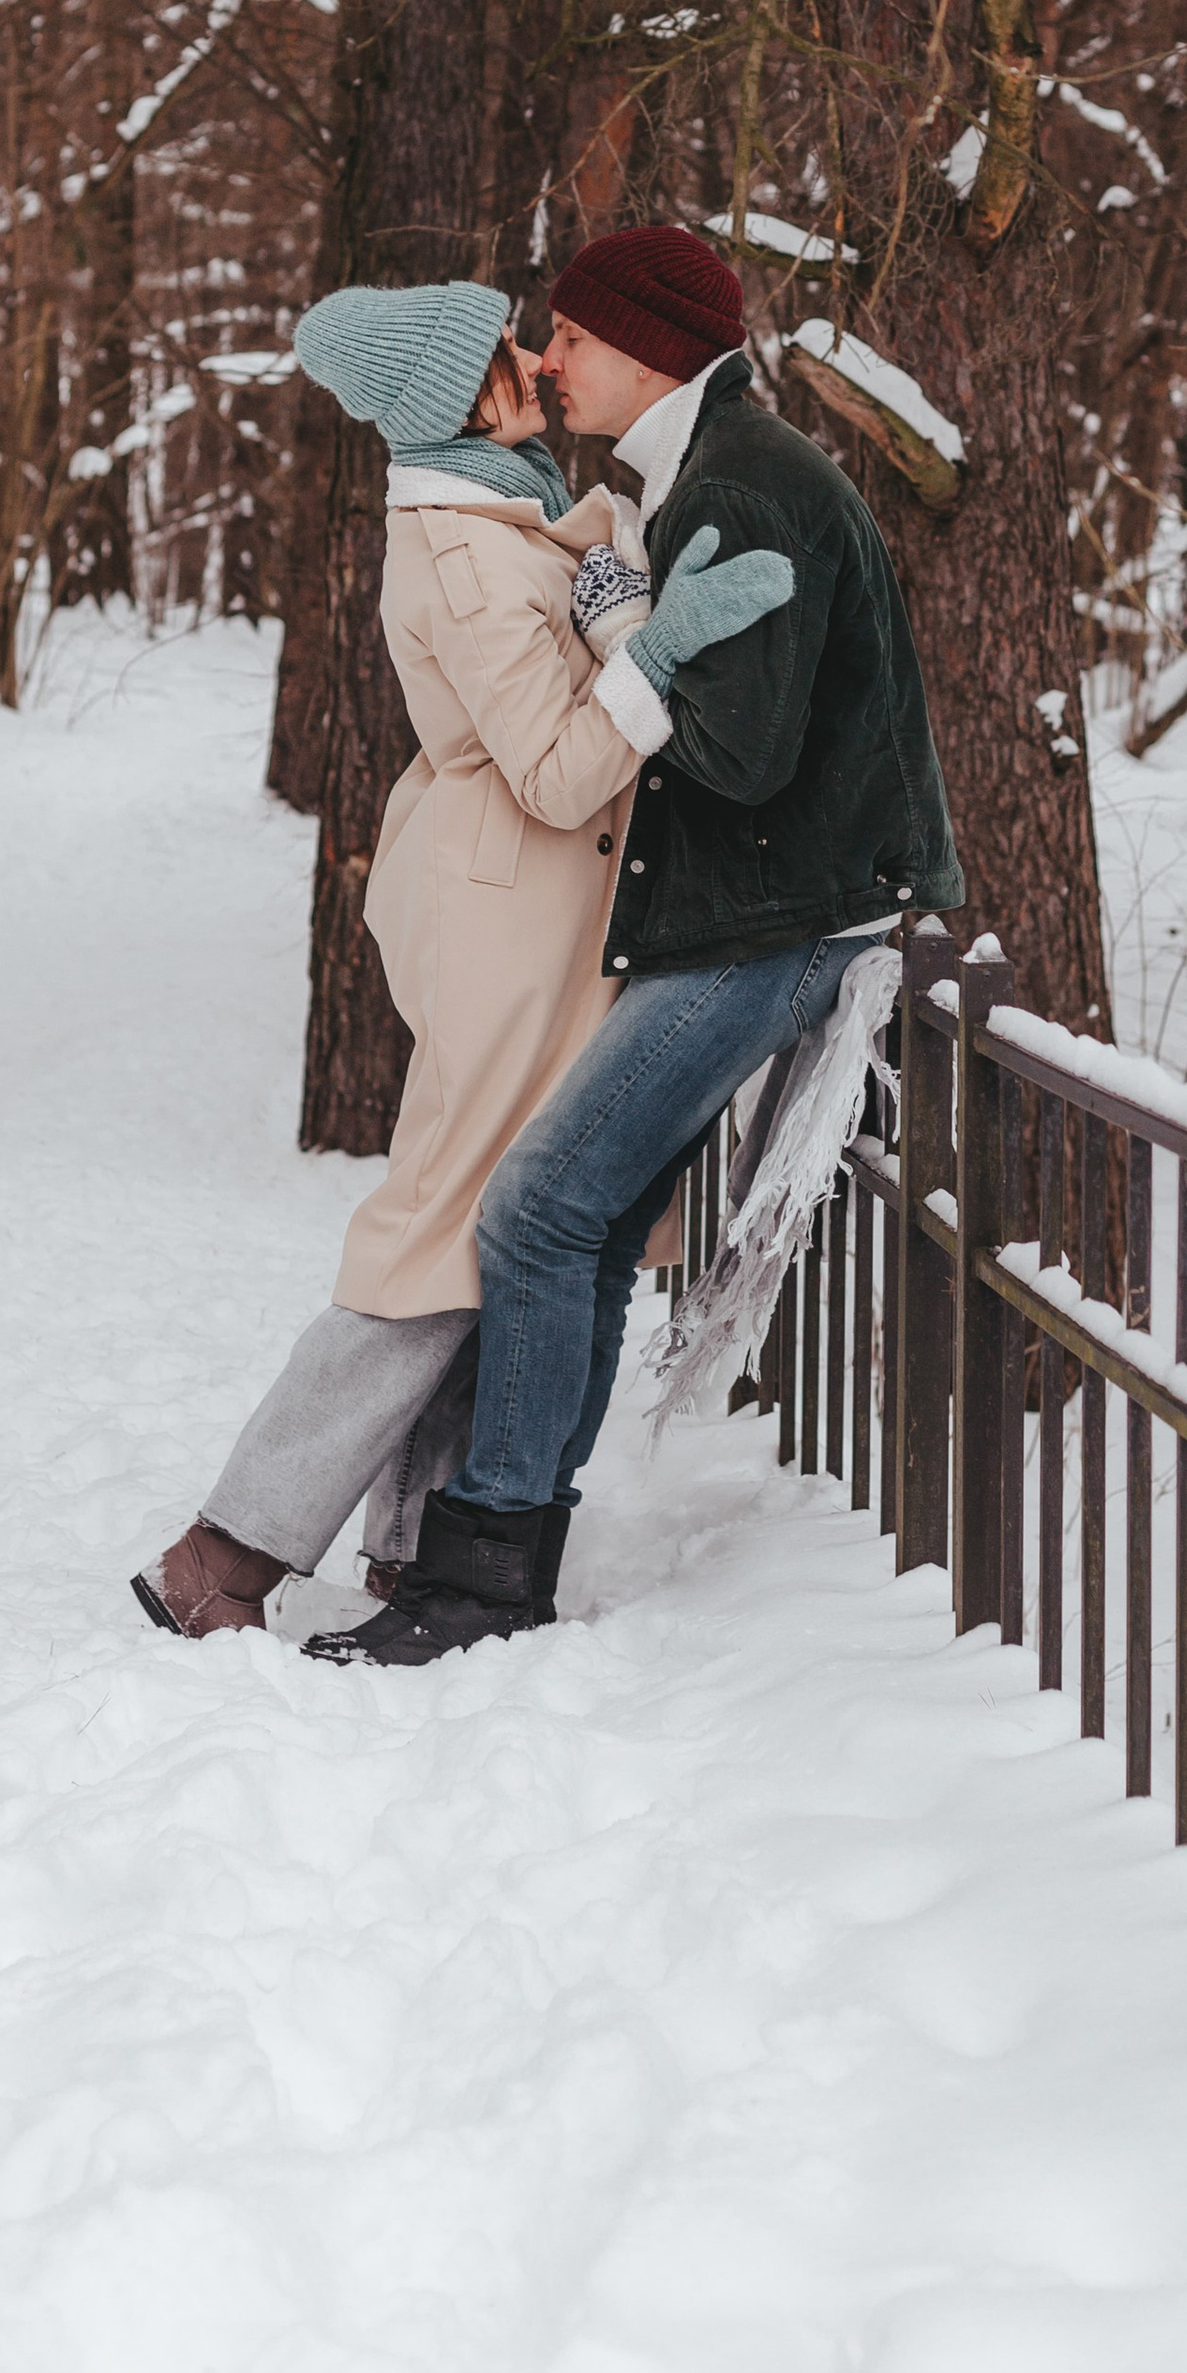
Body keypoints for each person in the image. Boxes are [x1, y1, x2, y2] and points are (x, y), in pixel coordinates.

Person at [313, 221, 965, 1669]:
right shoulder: (696, 476)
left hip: (782, 915)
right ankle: (498, 1555)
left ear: (650, 350)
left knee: (541, 1209)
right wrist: (637, 625)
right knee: (583, 1221)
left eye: (573, 337)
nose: (549, 362)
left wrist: (632, 637)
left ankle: (486, 1568)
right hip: (751, 905)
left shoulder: (741, 485)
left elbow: (738, 755)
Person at [135, 273, 794, 1639]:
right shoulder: (459, 549)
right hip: (508, 916)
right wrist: (658, 649)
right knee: (439, 1230)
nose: (536, 362)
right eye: (506, 352)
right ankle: (228, 1551)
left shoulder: (517, 511)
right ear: (453, 398)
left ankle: (413, 1542)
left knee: (497, 1232)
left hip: (548, 916)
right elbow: (556, 771)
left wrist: (623, 573)